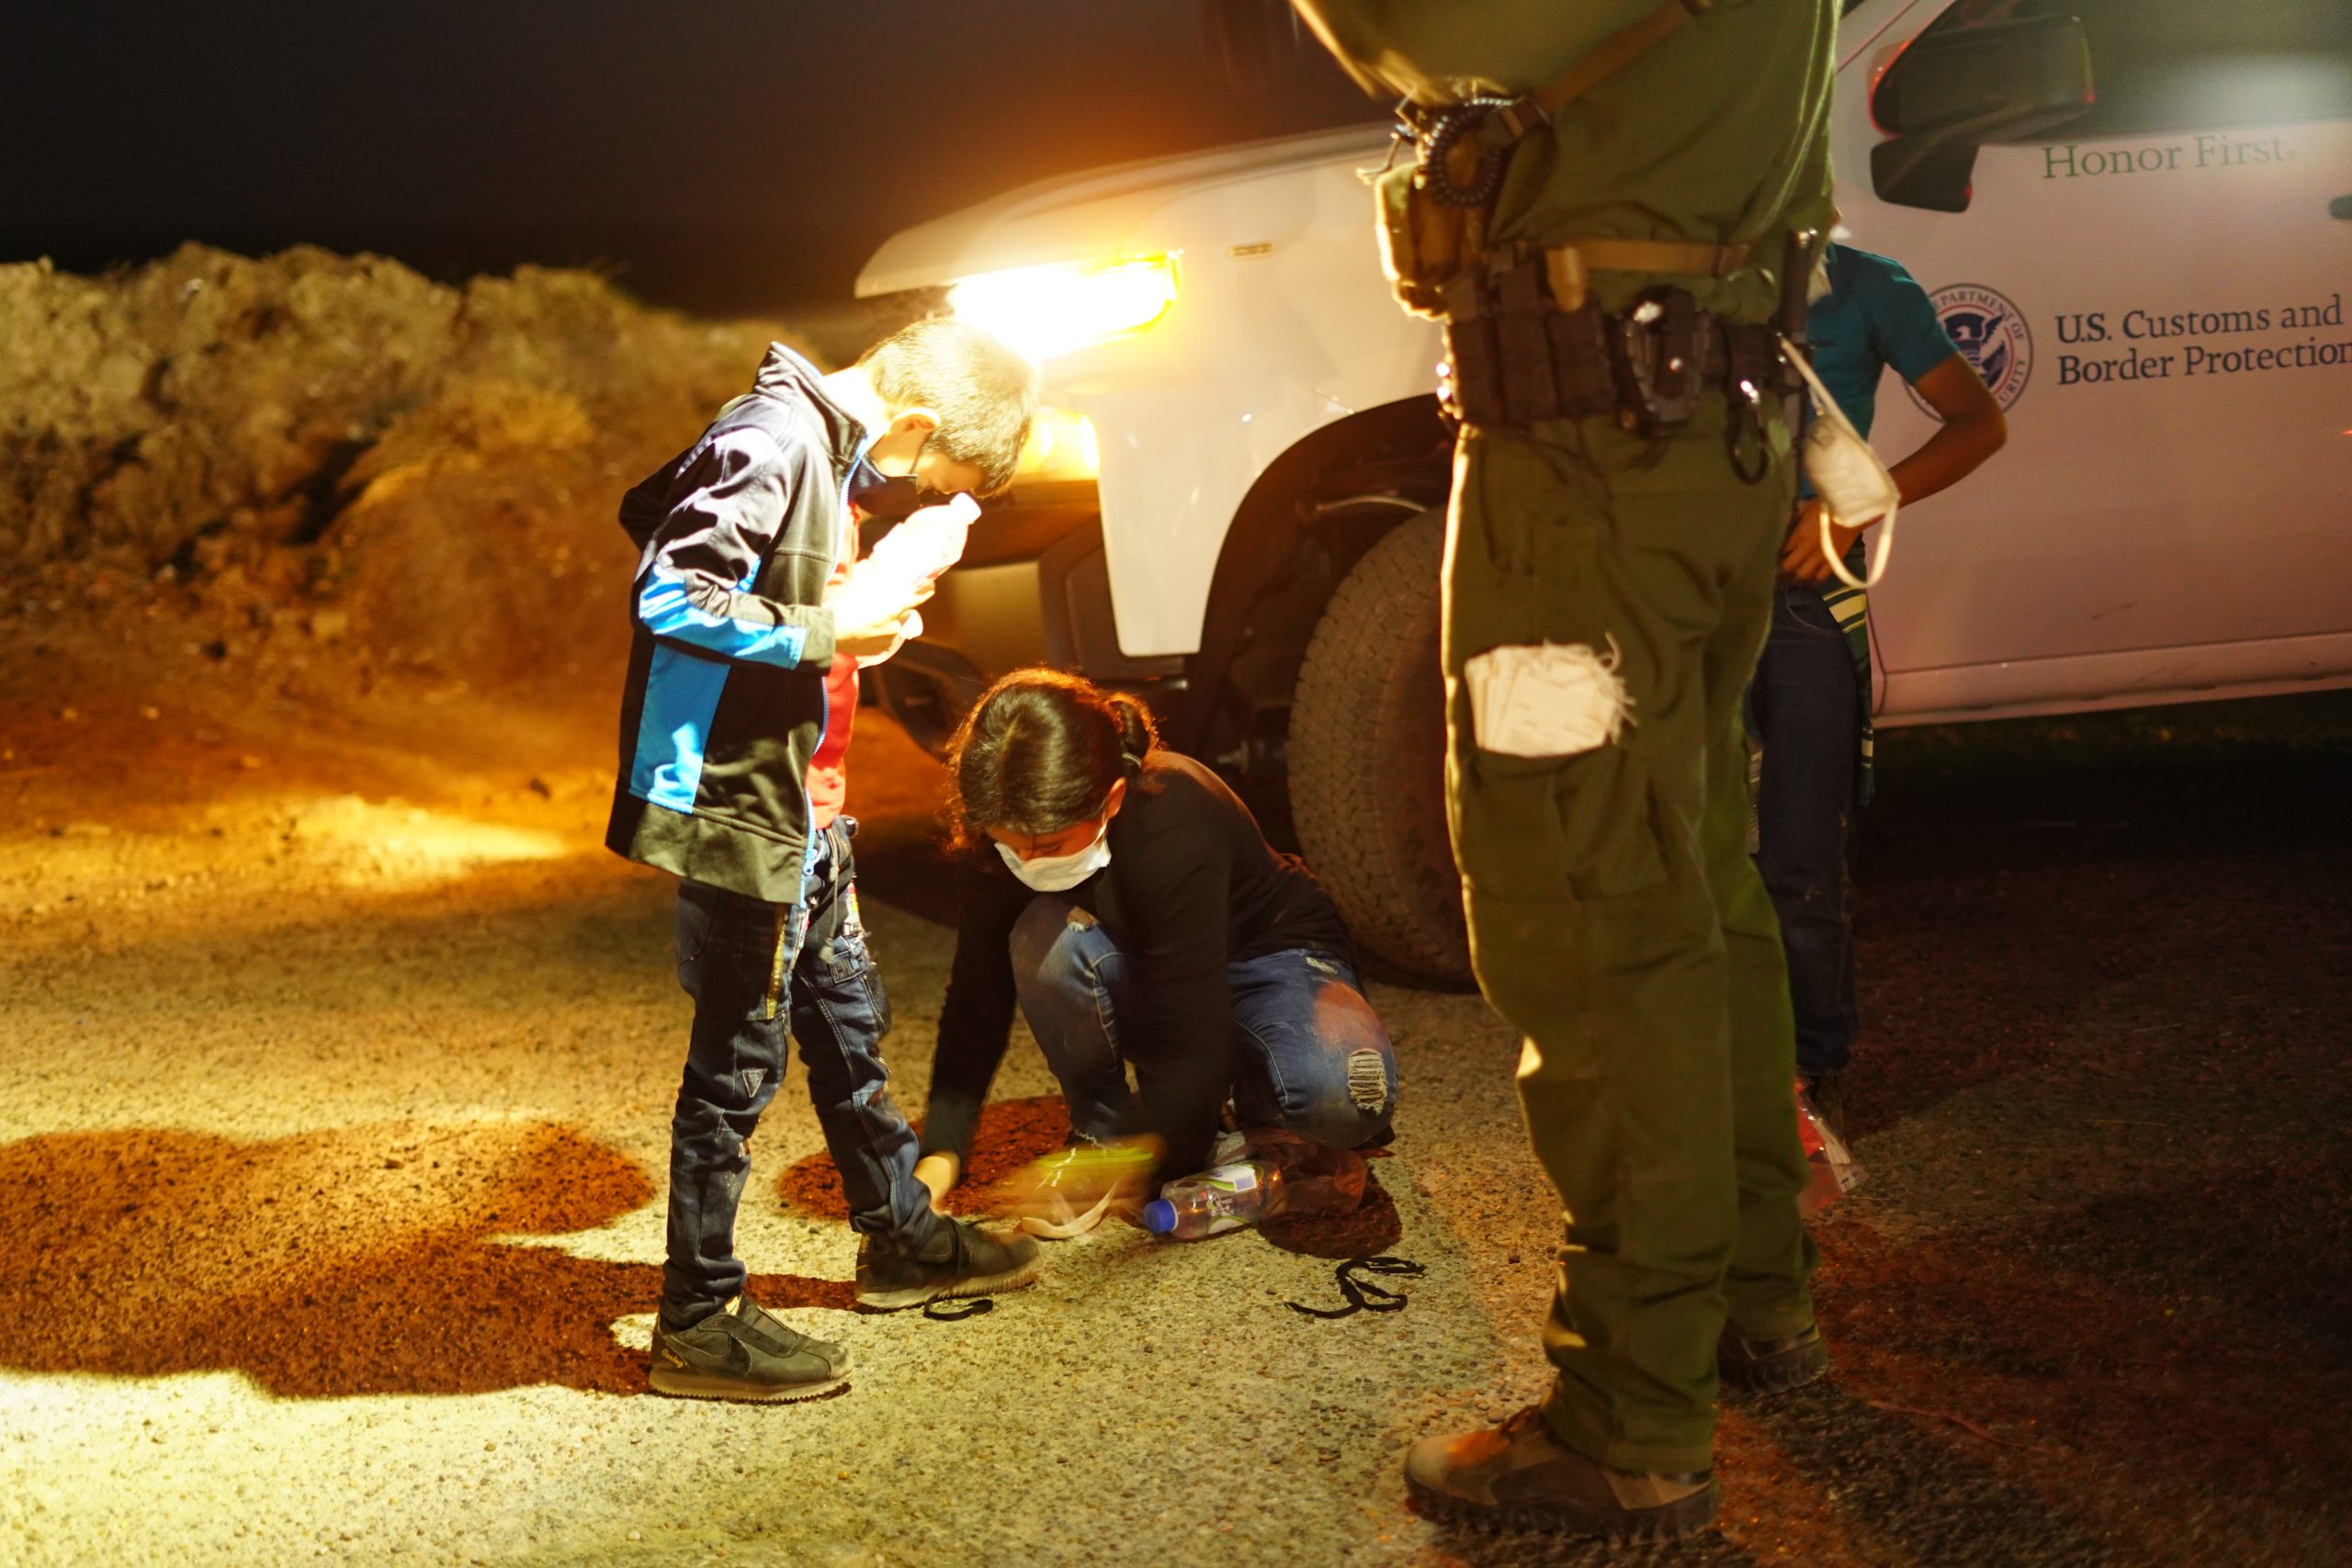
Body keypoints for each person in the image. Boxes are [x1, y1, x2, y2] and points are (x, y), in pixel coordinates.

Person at [1287, 0, 1839, 1542]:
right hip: (1687, 444)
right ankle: (1748, 1293)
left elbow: (1424, 28)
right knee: (1692, 874)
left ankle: (1630, 1419)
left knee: (1587, 908)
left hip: (1587, 483)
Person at [607, 319, 1041, 1402]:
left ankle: (899, 1233)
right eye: (927, 470)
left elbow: (688, 541)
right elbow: (668, 592)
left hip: (811, 802)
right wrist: (819, 629)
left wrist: (851, 630)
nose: (911, 486)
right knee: (733, 1074)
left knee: (848, 1026)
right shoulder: (774, 439)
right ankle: (697, 1320)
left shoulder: (825, 446)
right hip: (747, 809)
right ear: (913, 421)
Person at [910, 669, 1397, 1224]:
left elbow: (1191, 1021)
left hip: (1271, 958)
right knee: (1039, 937)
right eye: (1010, 845)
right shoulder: (994, 834)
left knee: (1347, 1099)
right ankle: (1105, 1128)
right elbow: (976, 996)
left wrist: (1153, 1162)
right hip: (1155, 970)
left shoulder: (1173, 812)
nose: (1029, 862)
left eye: (1049, 844)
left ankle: (1248, 1107)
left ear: (1112, 798)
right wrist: (941, 1154)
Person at [1753, 240, 2007, 1133]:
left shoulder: (1861, 284)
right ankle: (1725, 1061)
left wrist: (1855, 505)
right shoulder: (1678, 270)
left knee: (1800, 856)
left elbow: (1978, 421)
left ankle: (1812, 1069)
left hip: (1806, 595)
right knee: (1691, 848)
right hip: (1684, 597)